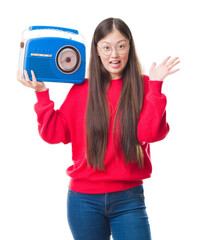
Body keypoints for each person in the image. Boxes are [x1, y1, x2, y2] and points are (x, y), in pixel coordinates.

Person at [17, 18, 180, 240]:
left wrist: (156, 86)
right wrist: (41, 93)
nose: (114, 54)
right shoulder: (82, 89)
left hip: (129, 198)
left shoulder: (145, 86)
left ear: (129, 48)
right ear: (97, 50)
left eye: (121, 46)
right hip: (83, 201)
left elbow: (149, 134)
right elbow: (54, 134)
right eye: (106, 47)